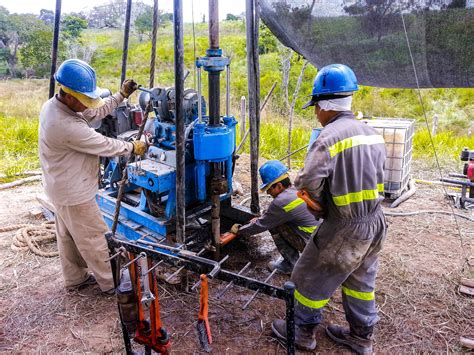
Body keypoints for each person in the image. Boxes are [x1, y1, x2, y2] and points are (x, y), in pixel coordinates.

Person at [271, 64, 387, 354]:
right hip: (374, 221)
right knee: (361, 279)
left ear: (324, 104)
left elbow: (308, 182)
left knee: (308, 274)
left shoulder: (329, 137)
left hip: (344, 225)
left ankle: (301, 332)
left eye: (315, 107)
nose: (316, 113)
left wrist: (320, 205)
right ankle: (361, 338)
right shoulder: (371, 133)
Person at [39, 59, 146, 295]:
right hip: (74, 191)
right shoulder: (64, 123)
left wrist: (120, 96)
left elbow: (95, 111)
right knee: (95, 238)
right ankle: (112, 283)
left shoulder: (58, 105)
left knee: (67, 236)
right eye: (83, 99)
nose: (86, 104)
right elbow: (104, 144)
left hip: (59, 185)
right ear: (68, 94)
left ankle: (75, 278)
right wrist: (133, 146)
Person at [231, 160, 321, 274]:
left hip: (314, 247)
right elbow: (273, 215)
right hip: (323, 241)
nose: (268, 193)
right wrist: (263, 217)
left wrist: (239, 231)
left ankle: (290, 265)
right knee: (274, 220)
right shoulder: (297, 189)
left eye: (269, 188)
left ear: (279, 185)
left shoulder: (281, 202)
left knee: (275, 225)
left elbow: (261, 225)